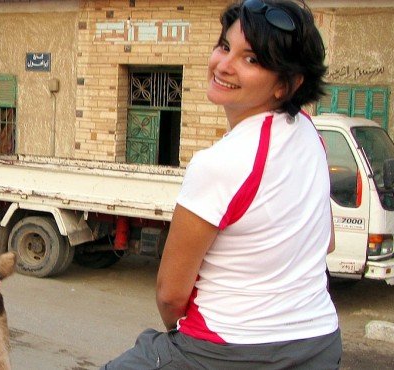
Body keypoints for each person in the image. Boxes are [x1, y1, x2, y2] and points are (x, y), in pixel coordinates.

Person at [104, 1, 340, 369]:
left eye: (252, 60)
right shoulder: (310, 134)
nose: (225, 65)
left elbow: (170, 295)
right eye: (225, 46)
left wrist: (186, 349)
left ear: (287, 84)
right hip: (319, 342)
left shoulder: (219, 163)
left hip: (227, 348)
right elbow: (328, 240)